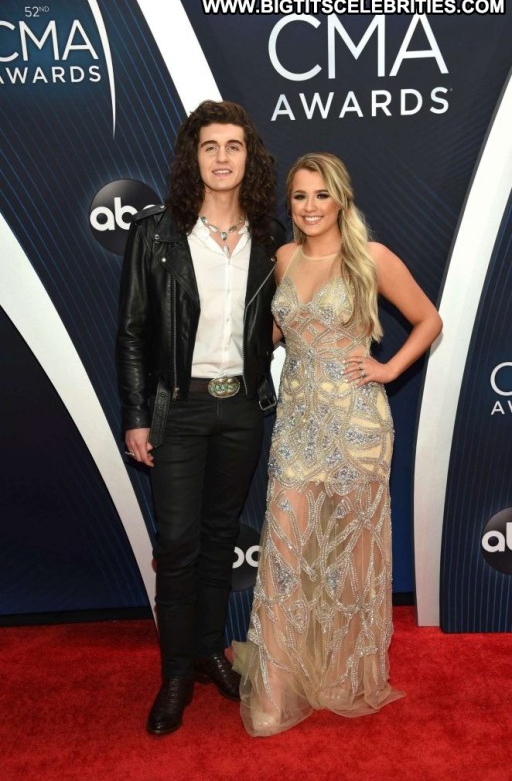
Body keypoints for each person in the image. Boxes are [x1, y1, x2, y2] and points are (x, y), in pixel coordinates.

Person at [234, 152, 442, 736]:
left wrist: (388, 368)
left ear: (341, 200)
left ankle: (342, 677)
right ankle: (275, 689)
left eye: (321, 195)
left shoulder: (371, 258)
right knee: (284, 555)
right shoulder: (283, 258)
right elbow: (275, 332)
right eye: (300, 196)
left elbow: (429, 320)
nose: (310, 207)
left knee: (350, 560)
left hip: (357, 428)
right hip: (298, 425)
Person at [116, 100, 285, 736]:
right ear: (194, 157)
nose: (221, 157)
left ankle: (212, 651)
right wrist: (137, 415)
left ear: (249, 158)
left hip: (242, 407)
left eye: (232, 146)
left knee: (220, 538)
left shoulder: (270, 237)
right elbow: (132, 332)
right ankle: (175, 675)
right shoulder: (156, 233)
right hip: (177, 410)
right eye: (209, 146)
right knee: (178, 544)